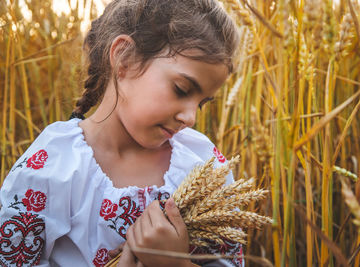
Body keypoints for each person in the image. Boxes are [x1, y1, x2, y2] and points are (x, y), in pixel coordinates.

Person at [0, 0, 243, 266]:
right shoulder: (52, 165)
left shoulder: (203, 166)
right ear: (124, 59)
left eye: (202, 102)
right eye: (182, 89)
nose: (191, 117)